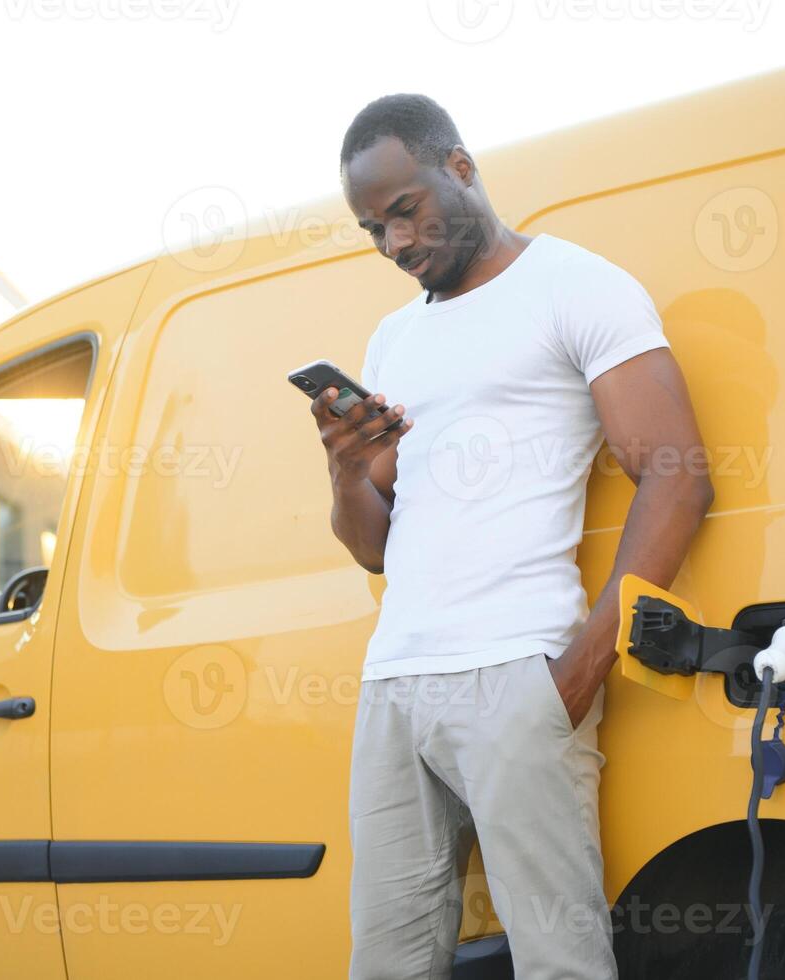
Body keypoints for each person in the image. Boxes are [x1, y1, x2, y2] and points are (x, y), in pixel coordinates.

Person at [312, 93, 715, 980]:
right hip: (394, 684)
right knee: (386, 964)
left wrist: (577, 671)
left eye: (404, 212)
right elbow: (375, 545)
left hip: (517, 674)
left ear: (458, 168)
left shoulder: (573, 284)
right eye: (372, 230)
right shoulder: (393, 338)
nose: (395, 245)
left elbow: (676, 475)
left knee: (557, 962)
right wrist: (345, 466)